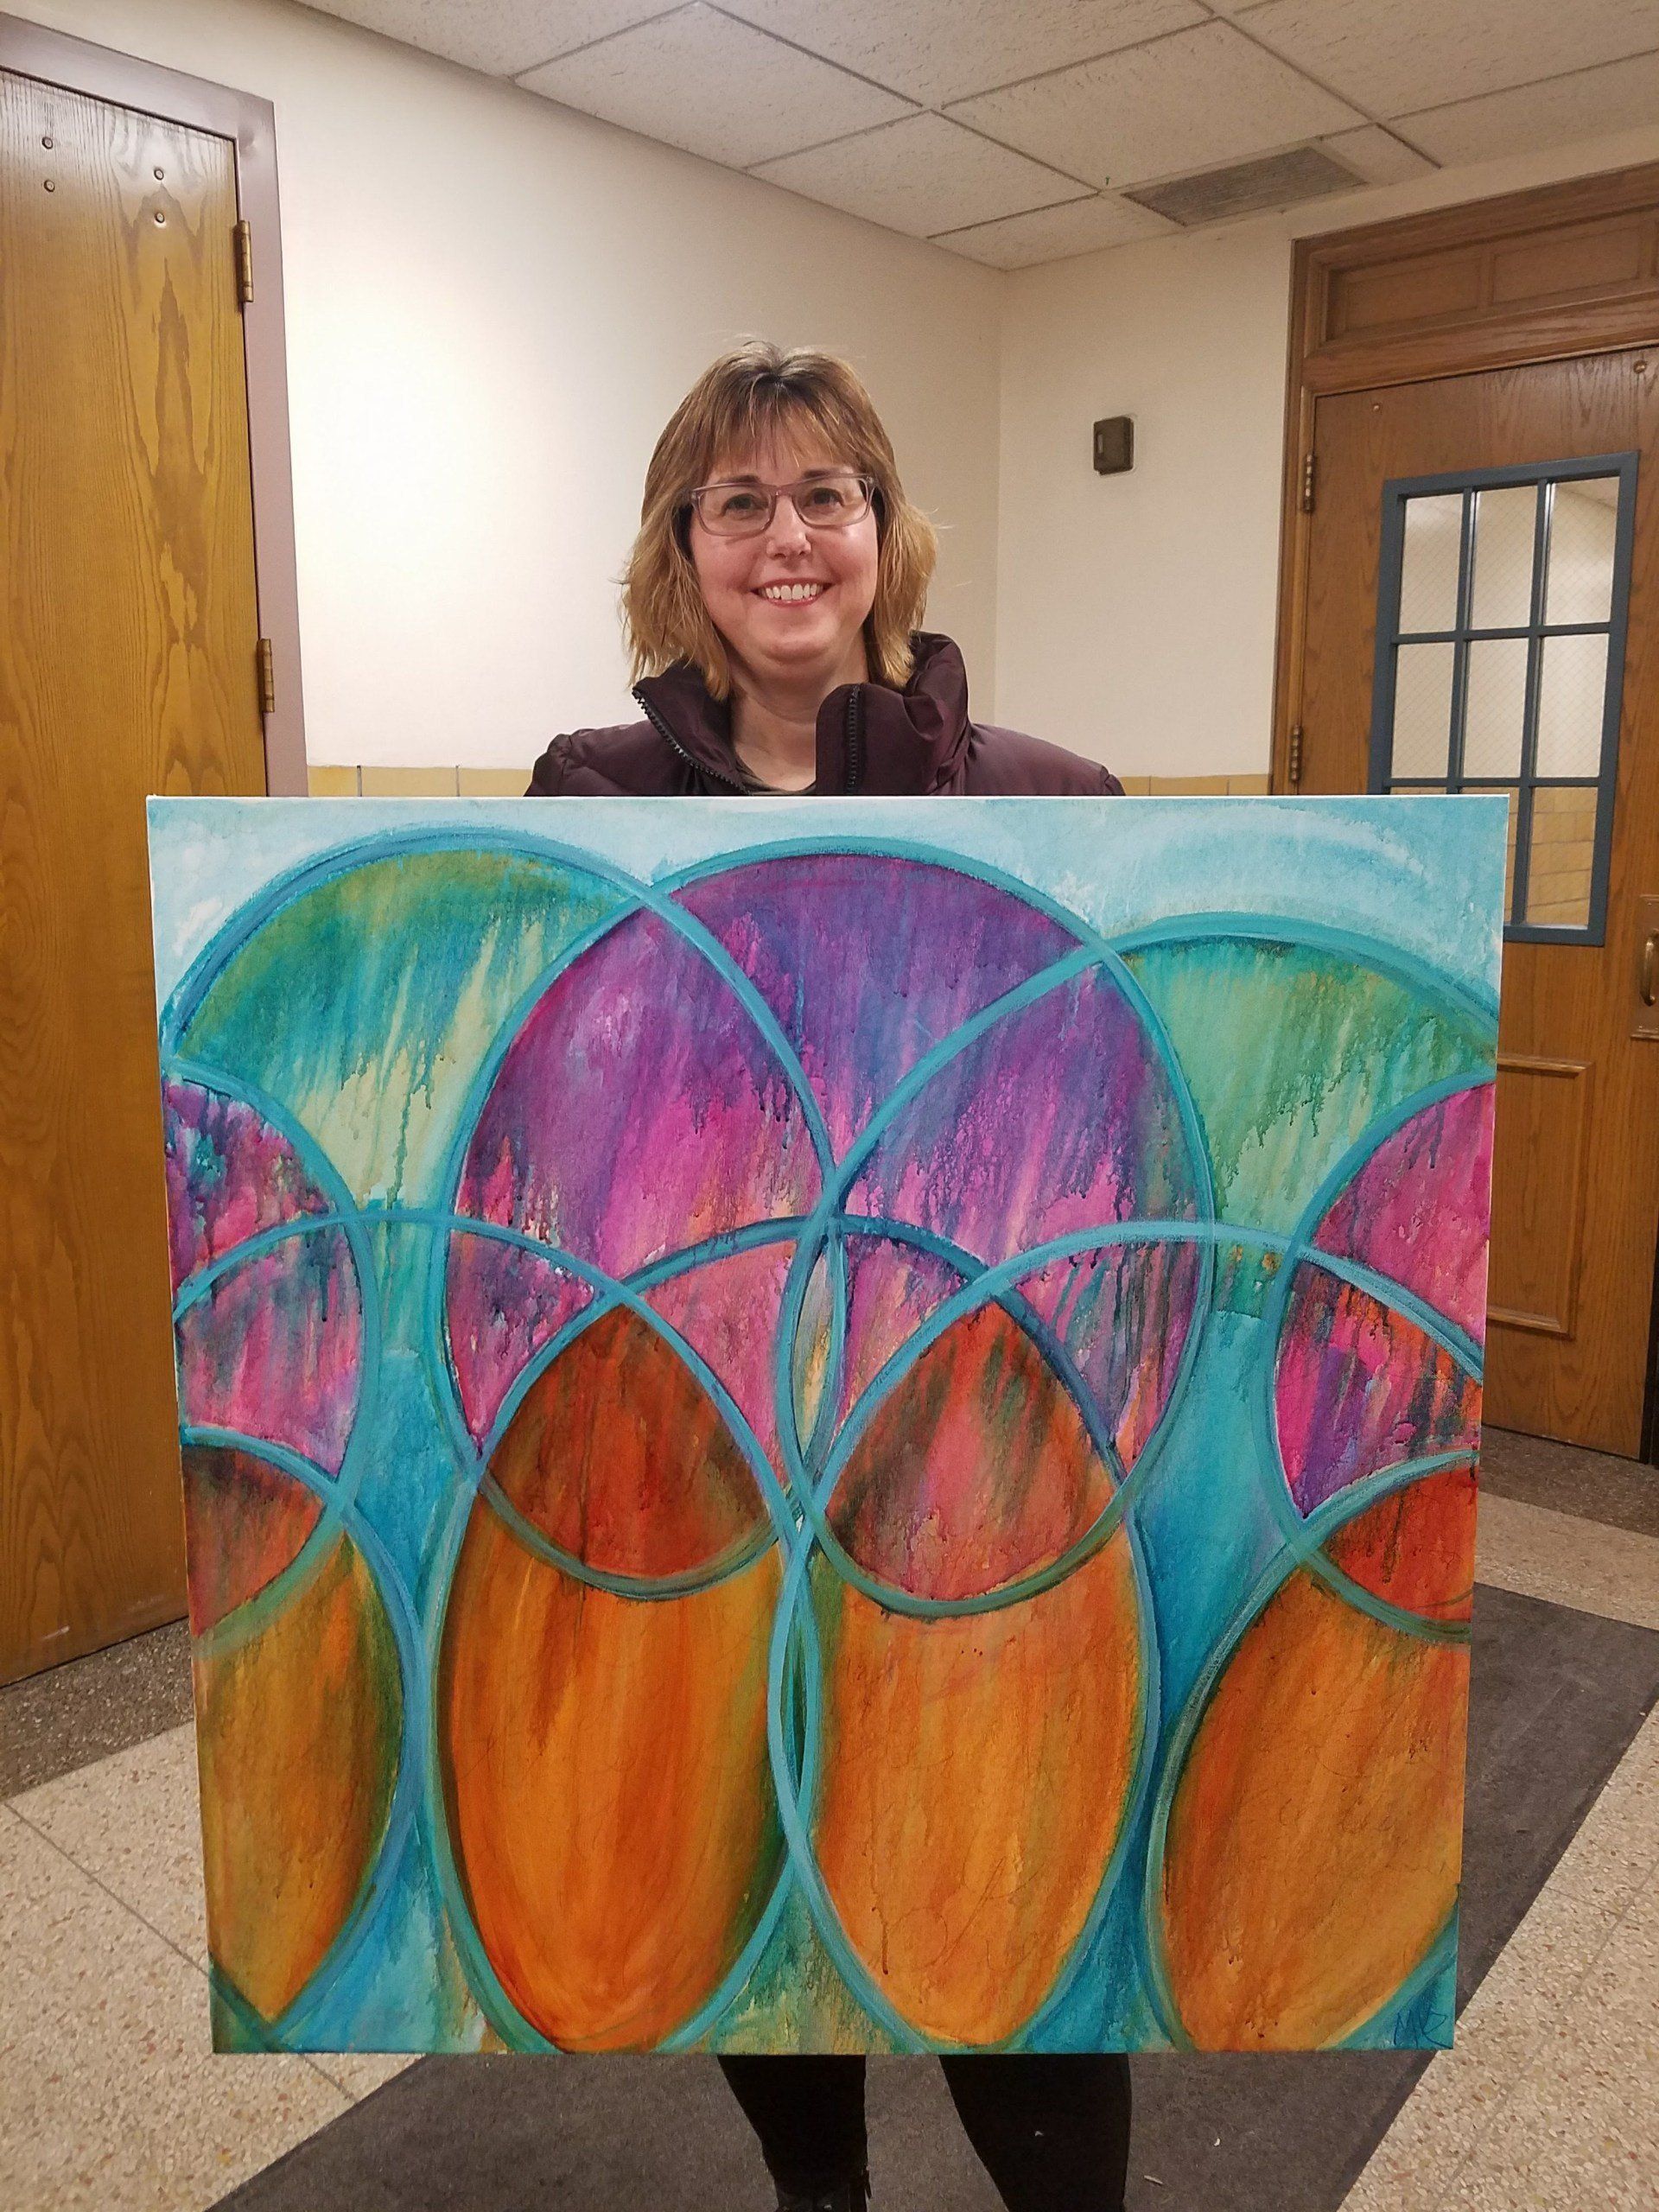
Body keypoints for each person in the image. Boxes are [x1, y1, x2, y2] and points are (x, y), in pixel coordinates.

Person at [527, 341, 1131, 2212]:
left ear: (886, 533)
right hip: (711, 1425)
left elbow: (1103, 1118)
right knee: (761, 1846)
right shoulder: (590, 793)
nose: (788, 536)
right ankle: (819, 2190)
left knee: (1008, 1902)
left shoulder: (1053, 792)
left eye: (827, 497)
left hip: (974, 1444)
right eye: (740, 501)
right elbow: (570, 1103)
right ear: (680, 546)